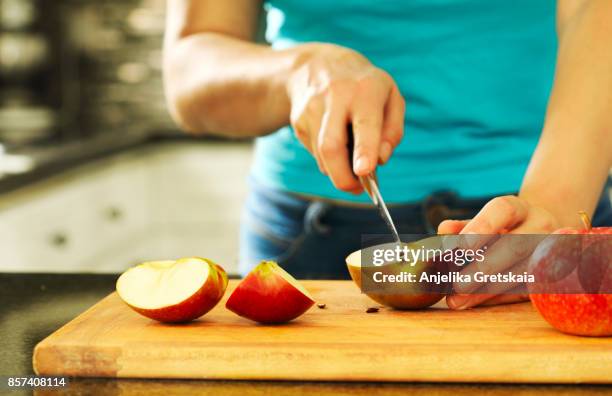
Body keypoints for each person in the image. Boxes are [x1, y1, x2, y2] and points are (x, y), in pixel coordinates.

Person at [163, 0, 612, 309]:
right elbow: (189, 70)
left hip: (558, 205)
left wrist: (553, 204)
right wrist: (295, 73)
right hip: (309, 234)